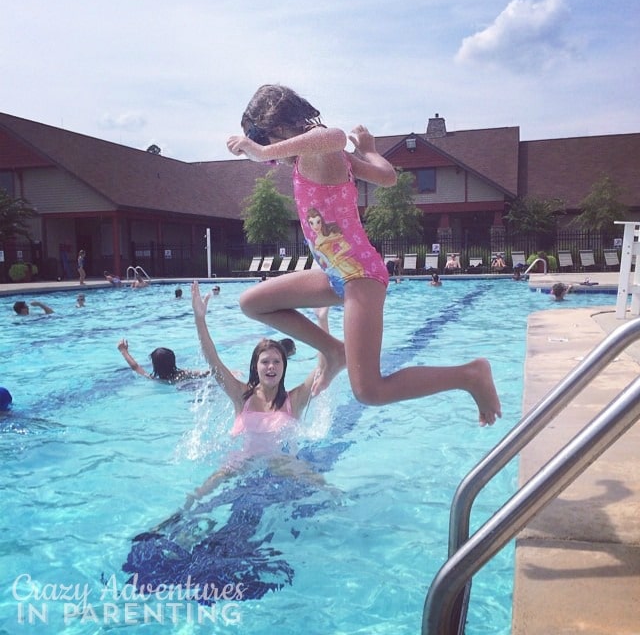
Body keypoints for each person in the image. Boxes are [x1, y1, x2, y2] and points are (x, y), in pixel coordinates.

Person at [226, 84, 501, 426]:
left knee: (370, 391)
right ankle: (334, 350)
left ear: (277, 128)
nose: (270, 157)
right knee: (252, 302)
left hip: (361, 277)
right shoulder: (314, 156)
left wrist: (255, 149)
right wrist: (370, 151)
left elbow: (335, 136)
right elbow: (386, 176)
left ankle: (469, 375)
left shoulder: (321, 149)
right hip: (335, 275)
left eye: (265, 146)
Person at [186, 281, 321, 500]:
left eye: (277, 362)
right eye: (265, 361)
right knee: (198, 495)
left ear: (284, 368)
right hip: (241, 463)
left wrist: (322, 321)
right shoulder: (242, 397)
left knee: (326, 489)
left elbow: (323, 367)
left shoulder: (292, 401)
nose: (271, 367)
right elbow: (213, 361)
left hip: (283, 465)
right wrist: (199, 319)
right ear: (255, 367)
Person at [117, 339, 209, 383]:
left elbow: (135, 367)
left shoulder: (155, 379)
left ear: (154, 365)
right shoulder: (183, 374)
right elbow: (206, 373)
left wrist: (123, 351)